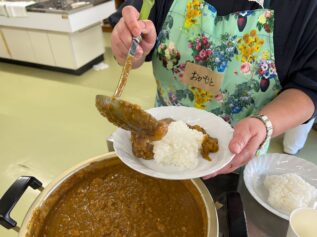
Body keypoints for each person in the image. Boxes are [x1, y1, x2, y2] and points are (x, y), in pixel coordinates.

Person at [108, 0, 317, 178]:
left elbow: (309, 87)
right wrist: (128, 46)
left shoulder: (304, 7)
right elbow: (134, 39)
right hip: (160, 151)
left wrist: (263, 124)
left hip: (238, 157)